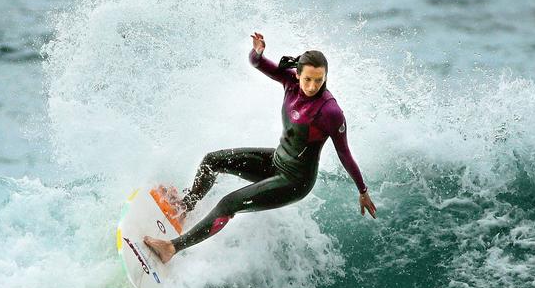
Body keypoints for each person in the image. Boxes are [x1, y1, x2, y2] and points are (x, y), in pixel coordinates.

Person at [144, 32, 376, 263]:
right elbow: (257, 63)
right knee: (212, 161)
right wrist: (258, 51)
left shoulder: (330, 111)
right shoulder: (290, 82)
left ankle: (172, 248)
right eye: (308, 79)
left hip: (295, 181)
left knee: (228, 204)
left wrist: (362, 190)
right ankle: (187, 207)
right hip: (277, 162)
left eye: (319, 80)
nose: (313, 86)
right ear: (297, 75)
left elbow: (344, 153)